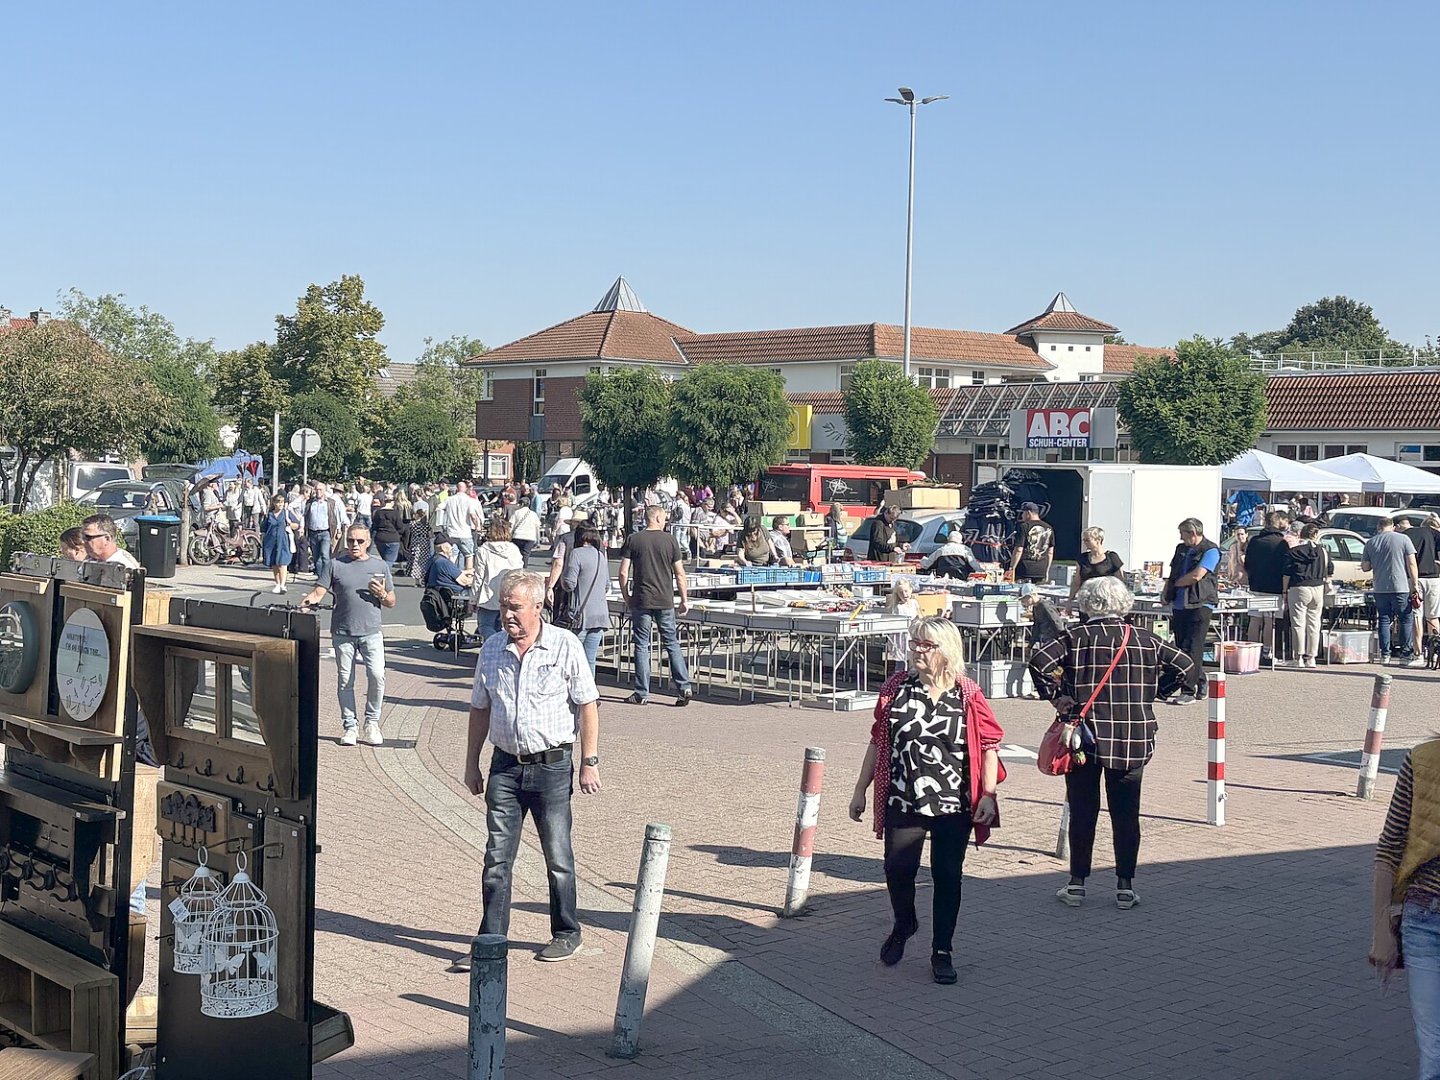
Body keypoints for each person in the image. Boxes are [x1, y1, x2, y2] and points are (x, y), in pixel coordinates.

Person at [848, 617, 1003, 985]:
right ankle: (905, 923)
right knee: (897, 870)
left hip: (954, 802)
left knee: (948, 875)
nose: (916, 650)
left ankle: (942, 949)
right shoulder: (896, 688)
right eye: (914, 642)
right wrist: (860, 789)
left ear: (945, 650)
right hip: (904, 797)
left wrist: (989, 795)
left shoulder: (967, 693)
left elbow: (989, 746)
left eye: (925, 644)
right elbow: (877, 741)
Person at [461, 570, 601, 966]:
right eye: (504, 605)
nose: (507, 614)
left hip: (552, 767)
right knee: (496, 858)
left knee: (557, 857)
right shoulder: (491, 649)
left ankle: (566, 931)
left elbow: (588, 705)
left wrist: (589, 761)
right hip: (505, 767)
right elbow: (479, 710)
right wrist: (471, 763)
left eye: (515, 607)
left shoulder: (564, 646)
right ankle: (490, 940)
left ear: (538, 607)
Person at [1029, 577, 1193, 910]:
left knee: (1083, 811)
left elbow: (1039, 662)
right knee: (1126, 813)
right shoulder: (1146, 639)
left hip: (1083, 737)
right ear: (1125, 604)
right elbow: (1187, 667)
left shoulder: (1076, 637)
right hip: (1132, 734)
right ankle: (1125, 886)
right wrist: (1158, 691)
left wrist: (1058, 697)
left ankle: (1077, 884)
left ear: (1087, 604)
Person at [1371, 738, 1440, 1077]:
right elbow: (1389, 849)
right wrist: (1381, 930)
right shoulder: (1423, 760)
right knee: (1435, 1052)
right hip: (1425, 922)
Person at [298, 524, 396, 747]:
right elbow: (317, 593)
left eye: (360, 541)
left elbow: (391, 601)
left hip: (371, 632)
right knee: (345, 680)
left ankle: (372, 722)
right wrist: (300, 608)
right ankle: (350, 726)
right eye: (351, 541)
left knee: (377, 676)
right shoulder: (335, 565)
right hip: (343, 632)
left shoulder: (379, 566)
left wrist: (381, 594)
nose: (354, 545)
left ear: (368, 542)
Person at [618, 505, 693, 707]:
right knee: (671, 642)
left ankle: (642, 693)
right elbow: (679, 573)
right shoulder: (670, 540)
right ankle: (684, 686)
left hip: (642, 599)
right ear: (658, 518)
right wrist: (684, 599)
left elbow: (623, 572)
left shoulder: (634, 539)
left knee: (642, 645)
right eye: (665, 517)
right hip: (665, 599)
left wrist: (627, 596)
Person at [1161, 517, 1219, 705]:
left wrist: (1177, 583)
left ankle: (1188, 690)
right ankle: (1201, 681)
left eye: (1183, 534)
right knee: (1181, 648)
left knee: (1194, 648)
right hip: (1180, 604)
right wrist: (1167, 589)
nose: (1181, 538)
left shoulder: (1210, 550)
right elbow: (1172, 572)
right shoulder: (1181, 549)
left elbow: (1197, 575)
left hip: (1200, 604)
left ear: (1193, 534)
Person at [1363, 516, 1424, 667]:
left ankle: (1385, 654)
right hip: (1400, 586)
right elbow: (1411, 563)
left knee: (1384, 619)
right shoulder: (1403, 539)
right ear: (1393, 526)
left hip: (1380, 587)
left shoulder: (1371, 542)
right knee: (1405, 618)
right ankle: (1405, 653)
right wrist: (1414, 584)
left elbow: (1365, 567)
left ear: (1379, 527)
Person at [560, 524, 612, 675]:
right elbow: (606, 585)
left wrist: (563, 579)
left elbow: (569, 584)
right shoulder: (600, 556)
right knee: (590, 658)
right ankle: (590, 694)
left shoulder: (576, 553)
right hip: (600, 615)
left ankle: (572, 693)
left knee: (573, 656)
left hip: (581, 616)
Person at [1244, 510, 1292, 660]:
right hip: (1275, 587)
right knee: (1270, 620)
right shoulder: (1282, 543)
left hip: (1256, 585)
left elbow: (1247, 563)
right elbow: (1285, 567)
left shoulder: (1254, 541)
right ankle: (1267, 651)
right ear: (1278, 524)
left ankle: (1251, 652)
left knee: (1254, 618)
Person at [1282, 523, 1331, 668]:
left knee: (1298, 623)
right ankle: (1312, 657)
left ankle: (1298, 657)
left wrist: (1285, 591)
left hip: (1299, 587)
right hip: (1318, 587)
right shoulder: (1323, 551)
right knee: (1314, 623)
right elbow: (1329, 570)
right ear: (1315, 535)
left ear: (1300, 535)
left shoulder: (1293, 551)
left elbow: (1286, 573)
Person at [472, 516, 525, 638]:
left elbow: (479, 576)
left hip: (488, 595)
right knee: (506, 626)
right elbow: (519, 572)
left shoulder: (483, 550)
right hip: (509, 592)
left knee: (485, 625)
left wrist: (473, 599)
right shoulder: (514, 549)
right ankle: (502, 647)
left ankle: (493, 646)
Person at [436, 480, 484, 570]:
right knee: (469, 555)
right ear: (465, 489)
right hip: (465, 533)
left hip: (452, 532)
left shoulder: (449, 499)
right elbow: (473, 515)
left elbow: (438, 507)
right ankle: (468, 576)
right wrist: (477, 526)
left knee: (451, 555)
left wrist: (444, 518)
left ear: (457, 489)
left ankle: (449, 573)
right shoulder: (469, 500)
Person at [1068, 526, 1123, 601]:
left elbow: (1120, 581)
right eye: (1084, 540)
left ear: (1098, 540)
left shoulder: (1112, 557)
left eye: (1087, 540)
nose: (1085, 543)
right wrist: (1070, 600)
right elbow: (1076, 582)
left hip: (1107, 599)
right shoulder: (1082, 558)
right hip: (1086, 600)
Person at [261, 494, 300, 594]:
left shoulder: (286, 513)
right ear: (274, 503)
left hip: (283, 541)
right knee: (274, 563)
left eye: (281, 502)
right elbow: (263, 529)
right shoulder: (269, 515)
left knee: (282, 563)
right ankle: (277, 584)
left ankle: (283, 585)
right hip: (271, 541)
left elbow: (297, 524)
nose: (279, 504)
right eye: (278, 502)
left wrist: (290, 524)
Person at [304, 482, 344, 581]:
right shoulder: (309, 502)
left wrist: (338, 530)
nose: (318, 492)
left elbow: (336, 517)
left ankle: (327, 577)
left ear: (325, 491)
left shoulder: (330, 502)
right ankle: (320, 577)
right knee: (316, 557)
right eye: (316, 489)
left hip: (325, 532)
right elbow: (305, 516)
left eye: (320, 490)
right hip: (313, 532)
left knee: (325, 555)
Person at [1413, 514, 1440, 653]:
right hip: (1435, 578)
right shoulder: (1437, 536)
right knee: (1433, 616)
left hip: (1418, 577)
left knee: (1417, 615)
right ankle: (1436, 652)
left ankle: (1418, 652)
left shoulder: (1417, 535)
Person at [1009, 502, 1054, 584]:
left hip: (1025, 570)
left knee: (1022, 595)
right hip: (1041, 571)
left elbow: (1019, 549)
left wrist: (1012, 568)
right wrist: (1046, 571)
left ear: (1028, 513)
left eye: (1023, 513)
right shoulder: (1049, 528)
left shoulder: (1024, 526)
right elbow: (1050, 552)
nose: (1022, 515)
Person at [882, 578, 918, 675]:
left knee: (913, 661)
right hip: (902, 637)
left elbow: (919, 616)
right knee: (901, 662)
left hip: (912, 635)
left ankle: (911, 679)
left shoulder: (915, 603)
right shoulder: (898, 607)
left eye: (906, 591)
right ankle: (897, 681)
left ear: (911, 590)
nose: (904, 594)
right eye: (901, 593)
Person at [370, 494, 407, 568]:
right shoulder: (395, 513)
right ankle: (384, 574)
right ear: (392, 502)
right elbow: (400, 527)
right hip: (393, 538)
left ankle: (384, 575)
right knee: (390, 560)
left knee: (384, 559)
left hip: (380, 538)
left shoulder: (378, 512)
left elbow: (374, 526)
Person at [509, 495, 542, 562]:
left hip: (517, 536)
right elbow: (537, 527)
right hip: (530, 537)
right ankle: (524, 569)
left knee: (516, 554)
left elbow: (511, 525)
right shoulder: (533, 514)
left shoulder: (517, 513)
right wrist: (538, 539)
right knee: (526, 555)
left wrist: (509, 535)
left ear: (521, 504)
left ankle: (517, 568)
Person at [408, 505, 434, 587]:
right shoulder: (426, 524)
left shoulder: (413, 524)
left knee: (415, 560)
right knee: (424, 561)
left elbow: (410, 533)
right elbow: (430, 534)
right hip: (425, 542)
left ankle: (416, 581)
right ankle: (423, 579)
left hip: (416, 541)